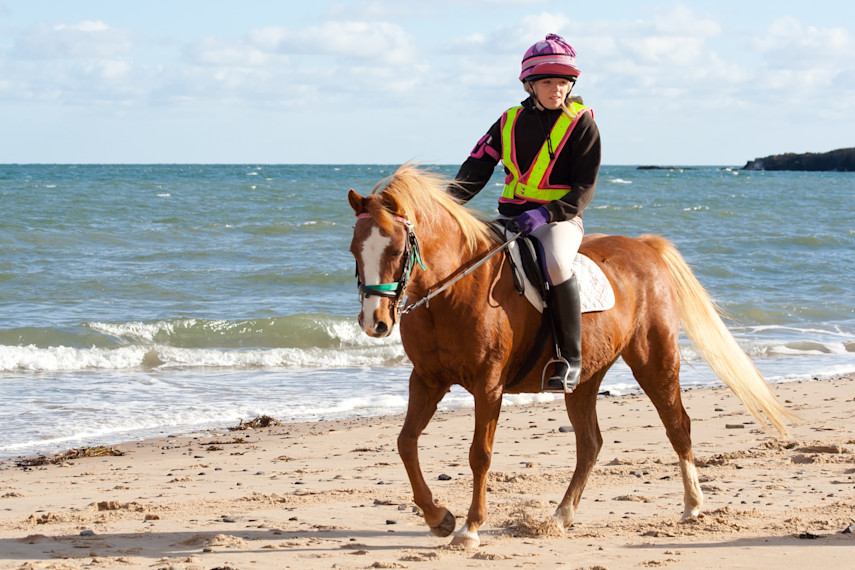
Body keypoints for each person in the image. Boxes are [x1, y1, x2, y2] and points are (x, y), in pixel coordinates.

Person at [449, 33, 602, 392]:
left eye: (563, 82)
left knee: (558, 265)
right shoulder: (507, 121)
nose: (557, 89)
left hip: (559, 220)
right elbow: (475, 169)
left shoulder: (582, 124)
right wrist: (446, 205)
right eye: (548, 81)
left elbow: (585, 188)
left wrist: (546, 215)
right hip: (510, 219)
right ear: (530, 85)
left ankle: (569, 359)